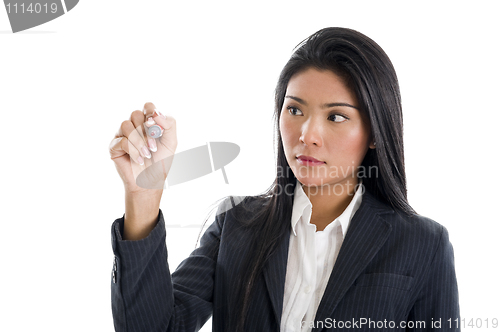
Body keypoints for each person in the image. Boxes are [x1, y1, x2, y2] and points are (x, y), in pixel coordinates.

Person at [108, 27, 460, 332]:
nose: (308, 134)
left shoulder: (423, 245)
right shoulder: (237, 227)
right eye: (295, 110)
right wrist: (142, 195)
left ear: (374, 132)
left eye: (336, 116)